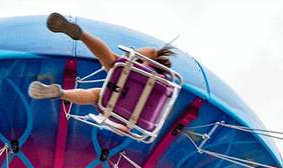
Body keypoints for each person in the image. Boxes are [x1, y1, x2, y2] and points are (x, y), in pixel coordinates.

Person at [28, 12, 176, 107]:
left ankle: (82, 36)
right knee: (96, 96)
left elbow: (138, 55)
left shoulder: (152, 63)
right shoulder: (164, 85)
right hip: (129, 108)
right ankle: (62, 94)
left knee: (113, 65)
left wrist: (122, 59)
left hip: (129, 86)